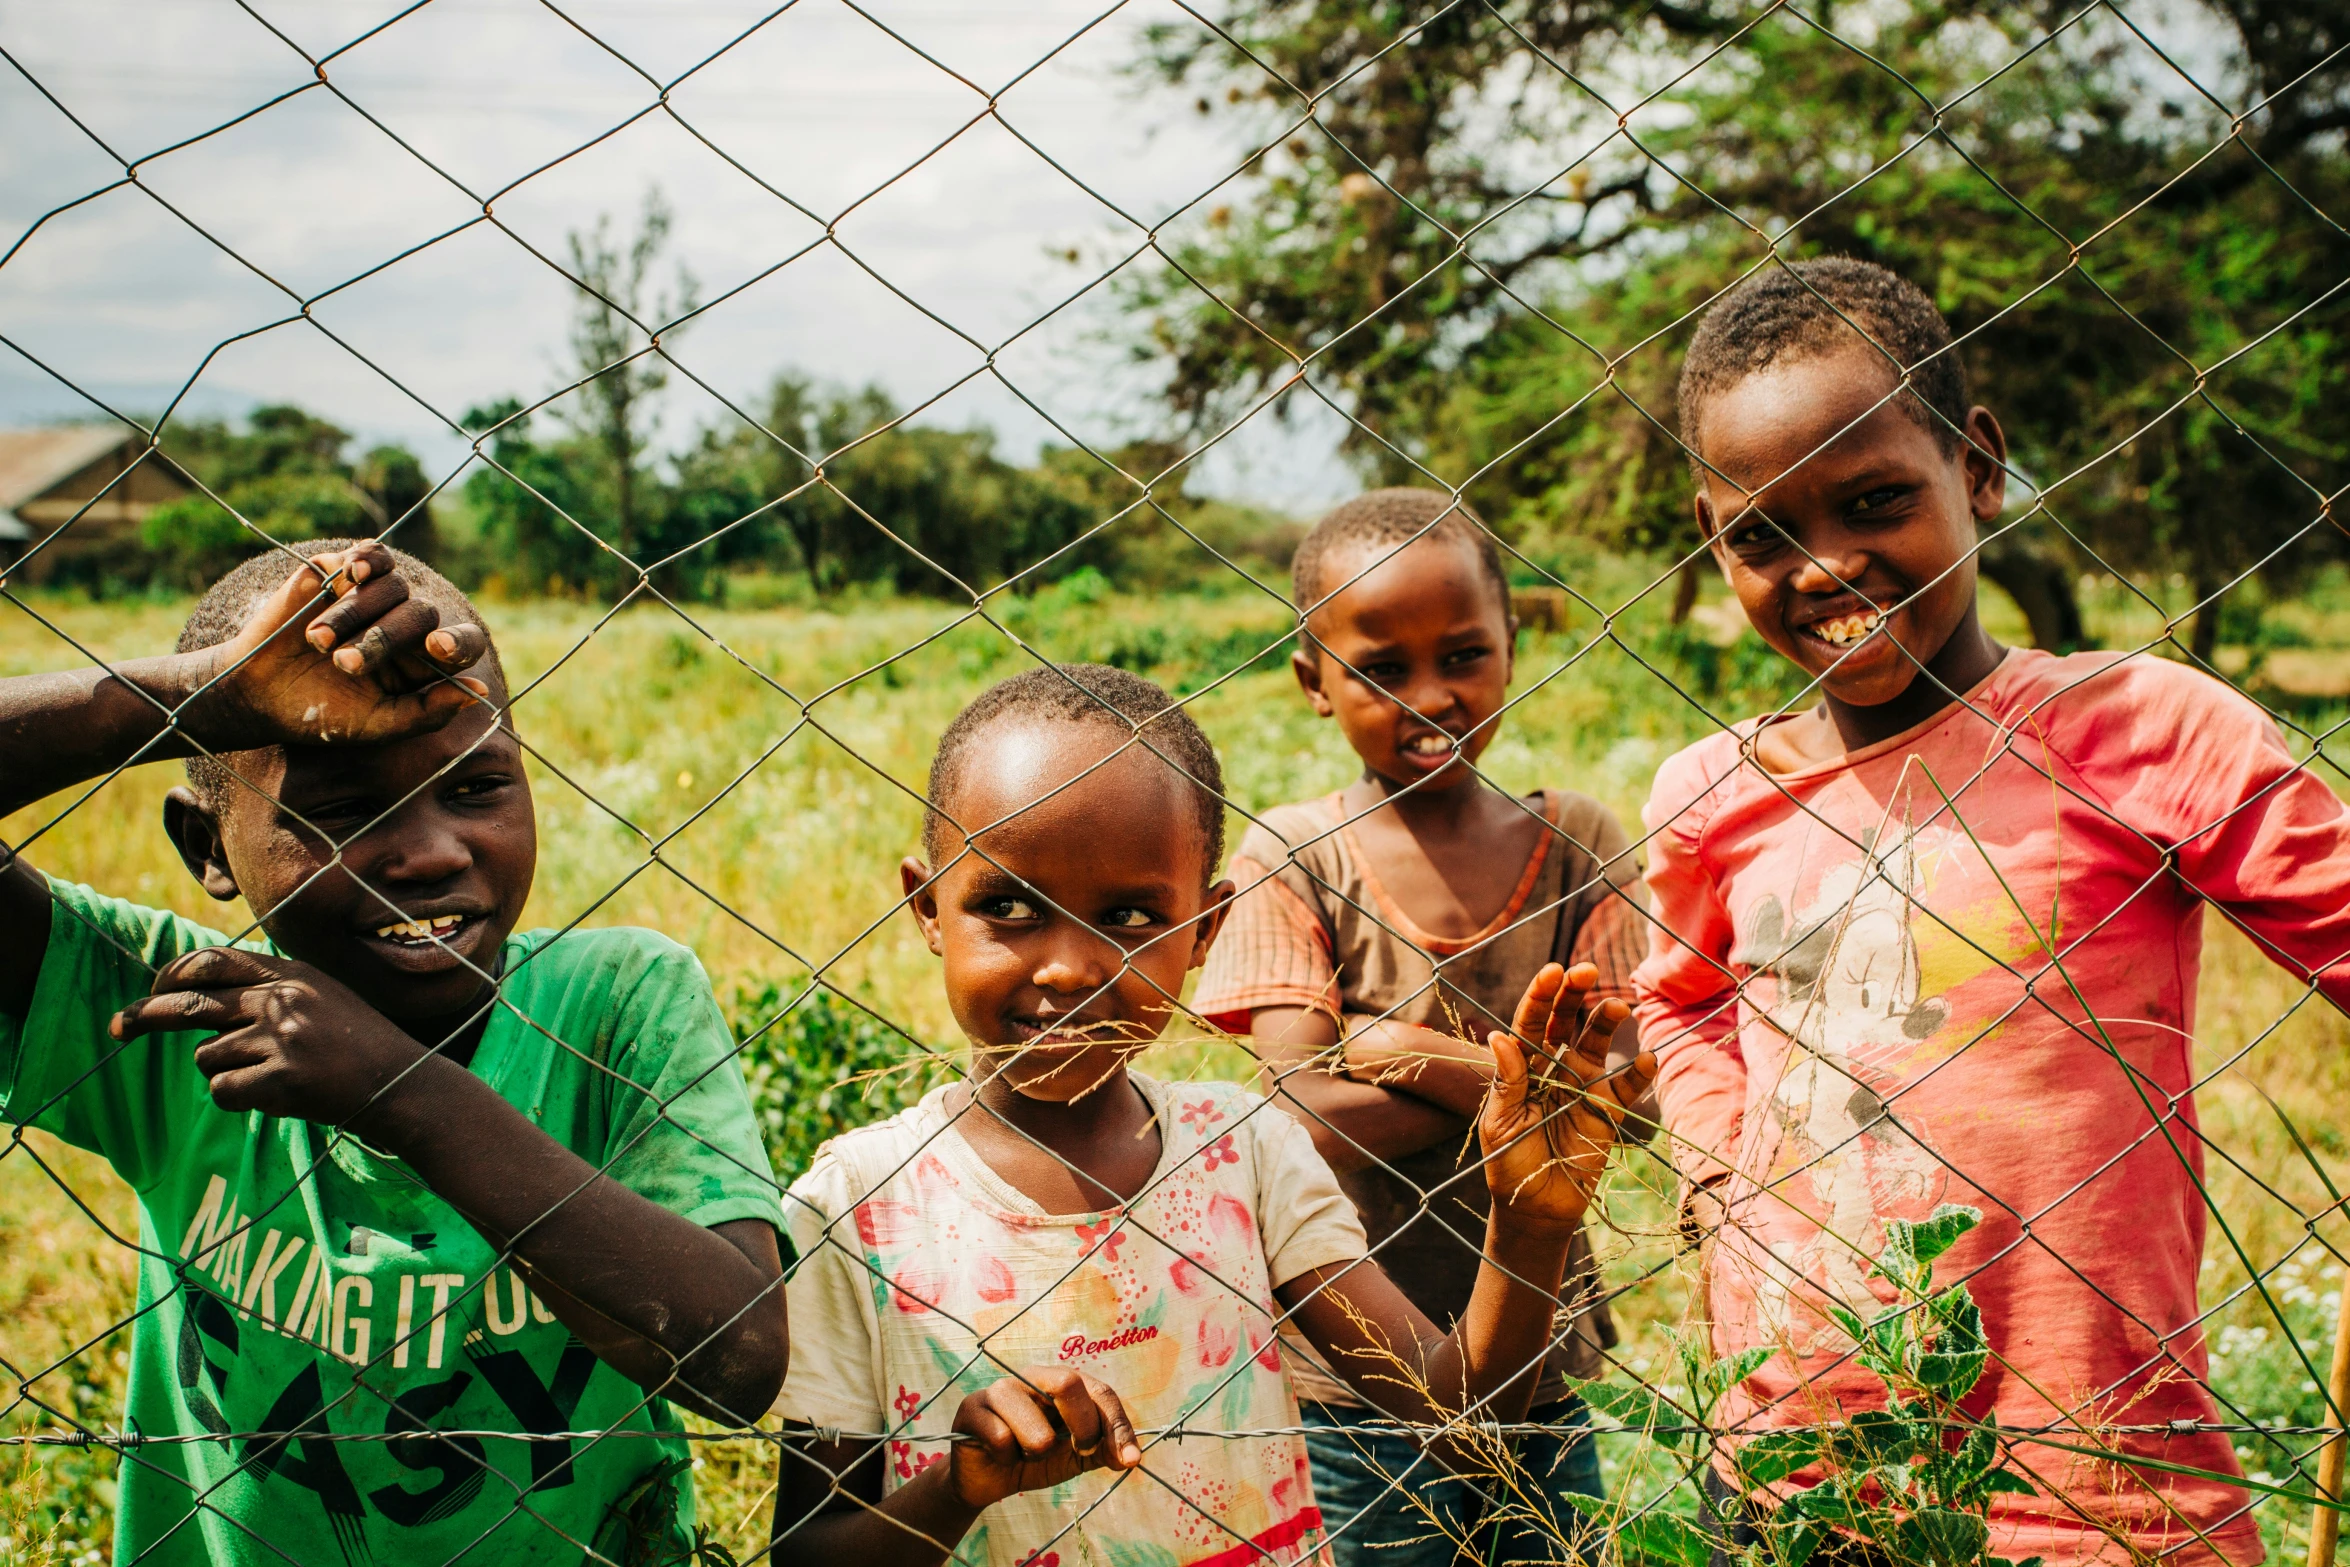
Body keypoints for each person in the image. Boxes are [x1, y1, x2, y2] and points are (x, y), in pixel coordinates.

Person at [1636, 257, 2350, 1565]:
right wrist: (1721, 1166)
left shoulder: (2139, 729)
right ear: (1709, 533)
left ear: (1977, 467)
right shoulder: (1709, 793)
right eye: (1760, 534)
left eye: (1873, 501)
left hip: (2090, 1473)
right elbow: (1676, 999)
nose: (1824, 566)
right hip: (1798, 1463)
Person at [0, 540, 788, 1564]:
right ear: (208, 850)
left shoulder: (615, 1003)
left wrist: (399, 1091)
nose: (427, 853)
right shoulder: (171, 1005)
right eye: (340, 813)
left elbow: (736, 1361)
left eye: (475, 788)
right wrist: (199, 700)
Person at [769, 663, 1652, 1567]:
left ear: (1205, 929)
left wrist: (1531, 1223)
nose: (1071, 967)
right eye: (1007, 907)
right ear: (927, 907)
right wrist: (958, 1487)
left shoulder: (1244, 1152)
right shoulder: (856, 1208)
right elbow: (805, 1552)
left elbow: (1458, 1411)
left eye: (1128, 915)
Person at [1190, 489, 1651, 1566]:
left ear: (1510, 649)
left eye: (1464, 655)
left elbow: (1633, 1102)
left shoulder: (1577, 843)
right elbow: (1298, 1116)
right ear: (1313, 681)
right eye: (1380, 669)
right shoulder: (1295, 856)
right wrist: (1524, 1090)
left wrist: (1415, 1055)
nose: (1430, 696)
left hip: (1540, 1360)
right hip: (1357, 1378)